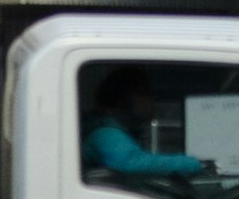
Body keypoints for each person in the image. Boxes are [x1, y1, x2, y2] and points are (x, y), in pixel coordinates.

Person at [83, 75, 211, 190]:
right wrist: (192, 164)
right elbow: (130, 163)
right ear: (121, 100)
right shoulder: (105, 133)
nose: (152, 99)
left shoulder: (120, 131)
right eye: (144, 93)